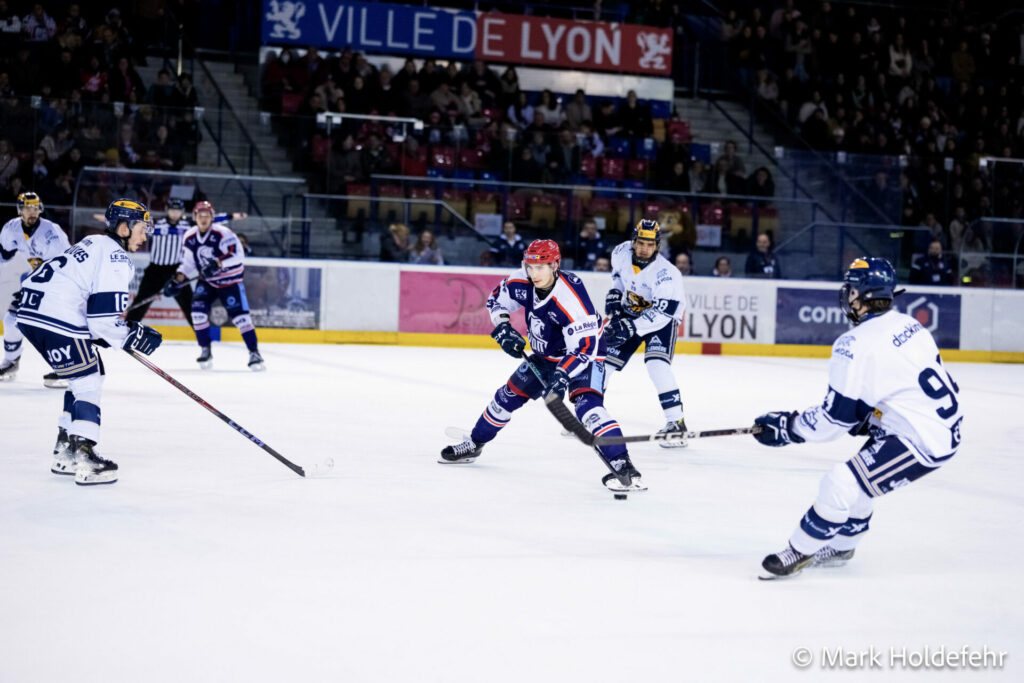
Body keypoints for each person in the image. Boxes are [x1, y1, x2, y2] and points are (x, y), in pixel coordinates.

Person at [752, 258, 962, 578]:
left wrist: (787, 427)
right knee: (860, 482)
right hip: (934, 421)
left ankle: (799, 550)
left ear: (861, 295)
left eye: (851, 289)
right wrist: (868, 416)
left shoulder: (854, 344)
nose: (846, 295)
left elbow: (833, 421)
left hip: (923, 439)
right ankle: (843, 544)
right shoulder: (910, 324)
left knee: (841, 481)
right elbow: (892, 388)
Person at [439, 239, 644, 492]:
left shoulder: (570, 299)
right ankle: (474, 443)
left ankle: (622, 463)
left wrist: (561, 376)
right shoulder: (521, 281)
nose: (534, 273)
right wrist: (503, 327)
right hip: (545, 355)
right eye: (530, 266)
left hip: (587, 356)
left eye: (541, 267)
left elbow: (585, 348)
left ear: (555, 264)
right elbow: (496, 300)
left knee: (588, 407)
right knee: (505, 397)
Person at [15, 199, 162, 485]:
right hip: (54, 315)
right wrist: (133, 335)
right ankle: (84, 455)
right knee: (88, 381)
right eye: (142, 229)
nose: (145, 237)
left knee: (87, 372)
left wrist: (107, 335)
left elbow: (88, 309)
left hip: (32, 312)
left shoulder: (94, 242)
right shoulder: (117, 258)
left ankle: (65, 451)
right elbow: (102, 321)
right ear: (124, 227)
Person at [603, 220, 688, 447]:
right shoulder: (621, 252)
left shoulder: (667, 274)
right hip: (631, 312)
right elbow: (619, 277)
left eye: (650, 244)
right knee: (603, 361)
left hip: (662, 321)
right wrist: (615, 293)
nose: (644, 248)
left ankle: (676, 424)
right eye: (640, 242)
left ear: (657, 246)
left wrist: (630, 327)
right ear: (634, 241)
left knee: (656, 365)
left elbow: (662, 313)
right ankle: (592, 412)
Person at [163, 201, 264, 371]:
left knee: (241, 318)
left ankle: (254, 352)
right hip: (208, 281)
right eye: (200, 216)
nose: (203, 219)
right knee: (197, 313)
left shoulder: (223, 233)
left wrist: (218, 263)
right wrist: (178, 278)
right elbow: (188, 263)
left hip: (229, 281)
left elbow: (238, 256)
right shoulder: (189, 237)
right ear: (194, 217)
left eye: (207, 216)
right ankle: (205, 349)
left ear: (212, 217)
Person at [0, 192, 70, 387]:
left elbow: (67, 264)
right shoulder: (11, 229)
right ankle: (11, 362)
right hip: (36, 284)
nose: (33, 212)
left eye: (35, 208)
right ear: (19, 210)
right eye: (28, 208)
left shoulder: (52, 232)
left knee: (53, 325)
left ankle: (66, 367)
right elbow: (3, 255)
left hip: (59, 284)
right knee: (12, 319)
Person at [125, 197, 193, 326]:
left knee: (188, 302)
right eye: (172, 210)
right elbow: (137, 225)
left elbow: (210, 223)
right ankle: (128, 328)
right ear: (167, 210)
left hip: (176, 270)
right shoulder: (156, 223)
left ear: (182, 211)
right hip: (155, 270)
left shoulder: (188, 225)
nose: (175, 213)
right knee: (142, 300)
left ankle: (202, 335)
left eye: (177, 210)